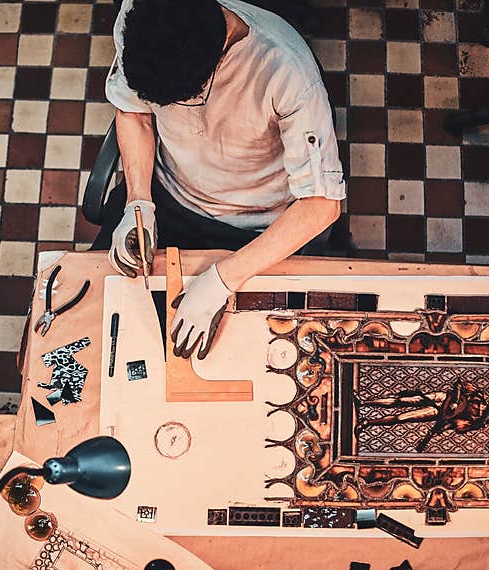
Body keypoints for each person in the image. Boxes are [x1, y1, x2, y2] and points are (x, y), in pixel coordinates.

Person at [92, 0, 346, 360]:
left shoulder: (287, 71)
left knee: (253, 356)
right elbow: (134, 113)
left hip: (255, 228)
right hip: (165, 198)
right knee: (98, 326)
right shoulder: (142, 17)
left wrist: (221, 281)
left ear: (214, 68)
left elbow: (322, 205)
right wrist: (138, 200)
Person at [355, 379, 489, 452]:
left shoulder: (478, 421)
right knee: (402, 400)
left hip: (437, 413)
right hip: (441, 397)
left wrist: (435, 431)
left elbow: (454, 425)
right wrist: (455, 400)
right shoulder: (478, 394)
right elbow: (460, 383)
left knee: (402, 418)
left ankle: (368, 422)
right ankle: (364, 403)